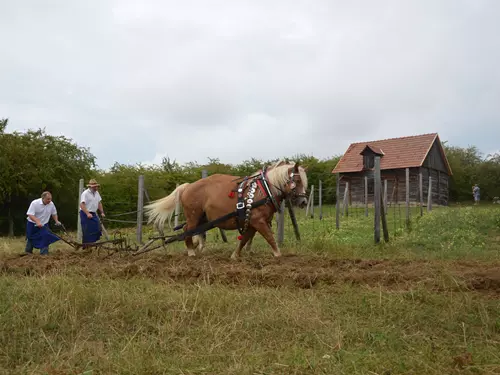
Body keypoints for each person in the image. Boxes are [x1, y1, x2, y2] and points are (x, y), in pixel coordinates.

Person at [79, 178, 105, 244]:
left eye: (96, 186)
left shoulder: (97, 193)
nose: (96, 188)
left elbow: (99, 203)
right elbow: (82, 204)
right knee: (87, 231)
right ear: (90, 187)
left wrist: (102, 212)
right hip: (85, 213)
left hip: (93, 213)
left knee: (97, 228)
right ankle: (86, 246)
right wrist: (87, 213)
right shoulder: (85, 193)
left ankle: (93, 243)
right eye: (95, 186)